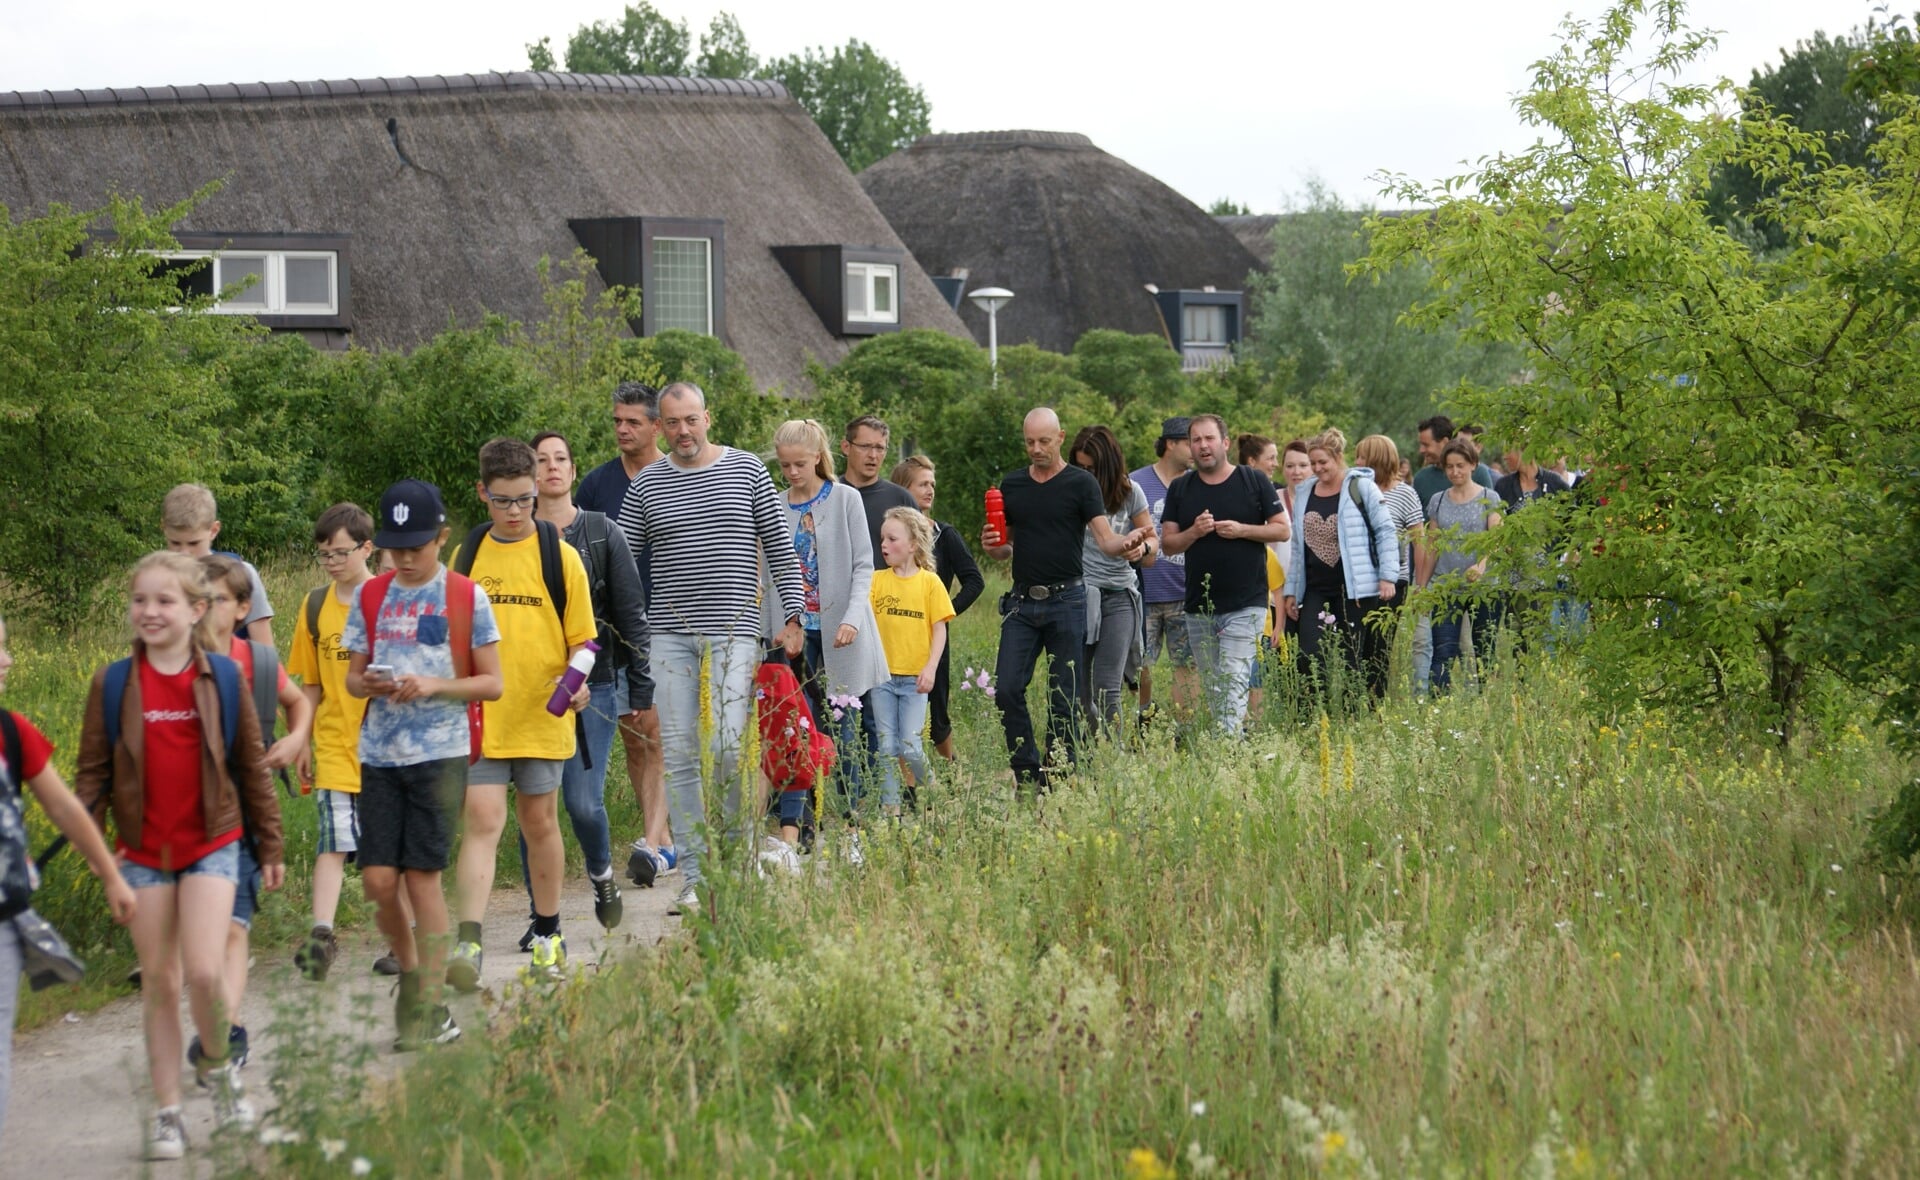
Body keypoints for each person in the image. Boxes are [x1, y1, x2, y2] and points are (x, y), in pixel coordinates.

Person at [74, 552, 284, 1159]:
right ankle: (168, 1113)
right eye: (141, 600)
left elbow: (250, 765)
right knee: (160, 982)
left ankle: (219, 1071)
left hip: (213, 843)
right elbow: (91, 778)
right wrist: (97, 851)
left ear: (197, 611)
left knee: (202, 970)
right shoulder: (112, 683)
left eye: (165, 601)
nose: (150, 612)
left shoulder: (223, 677)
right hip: (141, 852)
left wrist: (269, 844)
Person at [618, 383, 806, 913]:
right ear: (661, 426)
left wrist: (792, 615)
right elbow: (625, 563)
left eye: (691, 420)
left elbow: (778, 545)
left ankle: (737, 862)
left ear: (708, 417)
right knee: (678, 755)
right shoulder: (648, 485)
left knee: (726, 746)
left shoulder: (747, 470)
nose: (682, 431)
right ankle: (697, 878)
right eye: (672, 422)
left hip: (734, 630)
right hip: (669, 636)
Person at [343, 480, 503, 1052]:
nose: (406, 558)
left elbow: (493, 682)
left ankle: (430, 1005)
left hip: (440, 756)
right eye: (395, 548)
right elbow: (352, 676)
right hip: (379, 755)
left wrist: (434, 684)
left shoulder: (465, 596)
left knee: (422, 878)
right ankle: (412, 971)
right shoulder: (369, 597)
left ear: (441, 537)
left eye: (417, 545)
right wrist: (373, 682)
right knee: (379, 881)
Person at [447, 438, 596, 987]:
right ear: (482, 493)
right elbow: (451, 636)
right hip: (483, 718)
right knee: (482, 823)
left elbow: (585, 641)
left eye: (525, 500)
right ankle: (468, 942)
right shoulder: (465, 557)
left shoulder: (562, 556)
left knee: (540, 823)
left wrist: (576, 688)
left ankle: (549, 934)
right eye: (503, 501)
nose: (515, 512)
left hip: (542, 716)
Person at [0, 613, 137, 1141]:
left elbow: (66, 810)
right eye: (0, 650)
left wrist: (110, 874)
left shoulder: (12, 733)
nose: (9, 659)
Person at [524, 431, 654, 937]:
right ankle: (541, 917)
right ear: (529, 475)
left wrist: (640, 688)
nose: (552, 467)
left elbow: (631, 614)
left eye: (561, 459)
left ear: (573, 471)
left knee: (581, 801)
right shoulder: (515, 540)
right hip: (530, 690)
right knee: (536, 806)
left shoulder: (603, 531)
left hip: (594, 685)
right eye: (541, 460)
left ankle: (600, 873)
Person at [984, 409, 1152, 787]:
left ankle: (1058, 771)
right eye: (1029, 442)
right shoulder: (1012, 485)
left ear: (1060, 437)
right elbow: (1005, 547)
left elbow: (1106, 538)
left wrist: (1127, 544)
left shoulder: (1080, 484)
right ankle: (1027, 774)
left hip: (1068, 600)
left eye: (1044, 441)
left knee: (1065, 695)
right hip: (1023, 603)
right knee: (1008, 687)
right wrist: (993, 547)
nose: (1036, 449)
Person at [194, 555, 312, 1076]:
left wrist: (295, 738)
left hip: (242, 809)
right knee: (198, 944)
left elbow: (297, 702)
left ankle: (228, 1028)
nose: (204, 610)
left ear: (243, 608)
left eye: (216, 600)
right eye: (197, 600)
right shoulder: (173, 658)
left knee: (235, 926)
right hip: (184, 813)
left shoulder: (256, 662)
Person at [290, 503, 409, 980]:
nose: (332, 562)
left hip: (388, 751)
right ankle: (321, 936)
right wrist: (300, 738)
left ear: (366, 548)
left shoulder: (389, 600)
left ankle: (403, 942)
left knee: (388, 853)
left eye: (340, 552)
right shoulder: (315, 605)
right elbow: (311, 683)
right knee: (333, 842)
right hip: (335, 746)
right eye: (323, 554)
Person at [572, 382, 674, 890]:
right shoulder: (596, 486)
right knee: (636, 737)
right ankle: (662, 837)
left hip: (668, 621)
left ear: (657, 425)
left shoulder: (675, 475)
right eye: (616, 421)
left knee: (658, 731)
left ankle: (658, 843)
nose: (622, 430)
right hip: (608, 630)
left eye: (632, 422)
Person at [773, 419, 888, 821]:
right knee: (798, 721)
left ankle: (854, 809)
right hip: (797, 631)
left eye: (800, 464)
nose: (792, 473)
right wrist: (782, 621)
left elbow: (863, 565)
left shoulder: (844, 499)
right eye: (785, 465)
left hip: (842, 628)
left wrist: (853, 618)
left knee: (846, 721)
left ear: (818, 457)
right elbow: (769, 570)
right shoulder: (776, 504)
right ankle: (802, 815)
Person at [1161, 415, 1290, 736]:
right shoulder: (1181, 488)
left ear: (1225, 443)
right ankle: (1236, 744)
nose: (1203, 446)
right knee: (1216, 684)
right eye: (1196, 440)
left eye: (1209, 439)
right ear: (1190, 446)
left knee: (1233, 679)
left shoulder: (1252, 480)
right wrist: (1194, 531)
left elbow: (1282, 529)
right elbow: (1168, 543)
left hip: (1246, 603)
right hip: (1199, 605)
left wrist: (1242, 530)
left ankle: (1226, 752)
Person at [1281, 428, 1401, 700]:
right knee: (1309, 653)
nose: (1317, 468)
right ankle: (1315, 712)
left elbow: (1385, 530)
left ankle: (1351, 714)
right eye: (1313, 463)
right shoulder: (1305, 492)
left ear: (1338, 457)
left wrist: (1387, 576)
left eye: (1323, 462)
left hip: (1354, 589)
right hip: (1315, 588)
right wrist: (1291, 590)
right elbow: (1299, 546)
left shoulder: (1360, 487)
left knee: (1352, 656)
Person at [837, 417, 917, 796]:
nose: (872, 455)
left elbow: (923, 560)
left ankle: (878, 790)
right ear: (845, 447)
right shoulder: (829, 492)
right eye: (865, 446)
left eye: (880, 448)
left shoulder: (900, 500)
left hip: (890, 620)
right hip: (837, 616)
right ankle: (837, 786)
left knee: (880, 714)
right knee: (837, 707)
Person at [890, 455, 984, 760]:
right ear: (903, 488)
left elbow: (974, 580)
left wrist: (946, 613)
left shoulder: (944, 534)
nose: (930, 489)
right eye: (922, 484)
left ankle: (950, 766)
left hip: (932, 637)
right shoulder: (887, 535)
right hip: (891, 634)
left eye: (933, 484)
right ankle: (900, 776)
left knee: (937, 705)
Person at [868, 507, 955, 817]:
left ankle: (932, 788)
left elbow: (939, 630)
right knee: (887, 747)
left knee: (909, 744)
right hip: (882, 679)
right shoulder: (876, 581)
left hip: (915, 680)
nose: (884, 545)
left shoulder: (930, 583)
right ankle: (890, 810)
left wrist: (930, 668)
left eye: (892, 539)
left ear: (913, 544)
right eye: (882, 539)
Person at [1071, 425, 1155, 736]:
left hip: (1119, 595)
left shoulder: (1131, 492)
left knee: (1108, 686)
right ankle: (1091, 748)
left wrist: (1142, 549)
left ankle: (1112, 759)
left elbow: (1153, 546)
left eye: (1091, 468)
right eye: (1079, 467)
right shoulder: (1071, 490)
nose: (1085, 474)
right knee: (1079, 690)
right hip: (1079, 594)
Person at [1416, 438, 1506, 693]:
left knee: (1483, 651)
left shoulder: (1489, 497)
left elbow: (1495, 540)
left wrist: (1481, 565)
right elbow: (1433, 546)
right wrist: (1422, 586)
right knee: (1443, 652)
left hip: (1484, 588)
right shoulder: (1439, 500)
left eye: (1460, 466)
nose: (1455, 472)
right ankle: (1439, 705)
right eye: (1450, 466)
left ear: (1473, 465)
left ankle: (1486, 703)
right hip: (1447, 586)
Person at [1129, 418, 1196, 725]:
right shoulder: (1136, 482)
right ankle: (1143, 722)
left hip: (1186, 592)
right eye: (1190, 442)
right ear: (1171, 443)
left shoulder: (1198, 483)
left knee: (1188, 664)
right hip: (1146, 593)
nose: (1198, 448)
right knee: (1140, 663)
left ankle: (1185, 726)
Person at [161, 483, 274, 646]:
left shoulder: (241, 574)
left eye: (193, 544)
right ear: (163, 528)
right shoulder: (156, 579)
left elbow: (265, 651)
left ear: (214, 530)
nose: (184, 553)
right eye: (175, 543)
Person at [1355, 434, 1424, 697]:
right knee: (1358, 643)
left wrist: (1420, 584)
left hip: (1394, 581)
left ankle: (1375, 700)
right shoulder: (1356, 489)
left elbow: (1419, 541)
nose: (1357, 461)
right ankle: (1356, 698)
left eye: (1363, 456)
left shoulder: (1404, 493)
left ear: (1377, 459)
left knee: (1380, 644)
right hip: (1360, 580)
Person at [1236, 433, 1288, 721]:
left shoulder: (1267, 554)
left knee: (1258, 678)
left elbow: (1277, 588)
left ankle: (1254, 724)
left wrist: (1279, 625)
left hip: (1266, 612)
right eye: (1270, 458)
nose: (1276, 464)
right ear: (1252, 461)